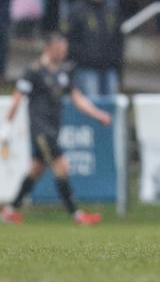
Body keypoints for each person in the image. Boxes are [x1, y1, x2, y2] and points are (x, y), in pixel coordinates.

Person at [0, 33, 111, 225]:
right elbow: (18, 98)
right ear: (48, 49)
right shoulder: (33, 72)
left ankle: (9, 211)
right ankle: (77, 214)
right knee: (62, 166)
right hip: (41, 130)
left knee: (36, 170)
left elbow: (77, 99)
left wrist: (97, 114)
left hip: (53, 128)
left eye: (64, 49)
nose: (63, 53)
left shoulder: (63, 73)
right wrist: (7, 125)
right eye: (60, 49)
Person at [65, 0, 123, 97]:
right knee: (91, 103)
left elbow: (119, 38)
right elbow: (70, 38)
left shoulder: (112, 8)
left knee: (110, 104)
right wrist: (80, 57)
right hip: (86, 68)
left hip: (109, 66)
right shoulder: (77, 10)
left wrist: (117, 62)